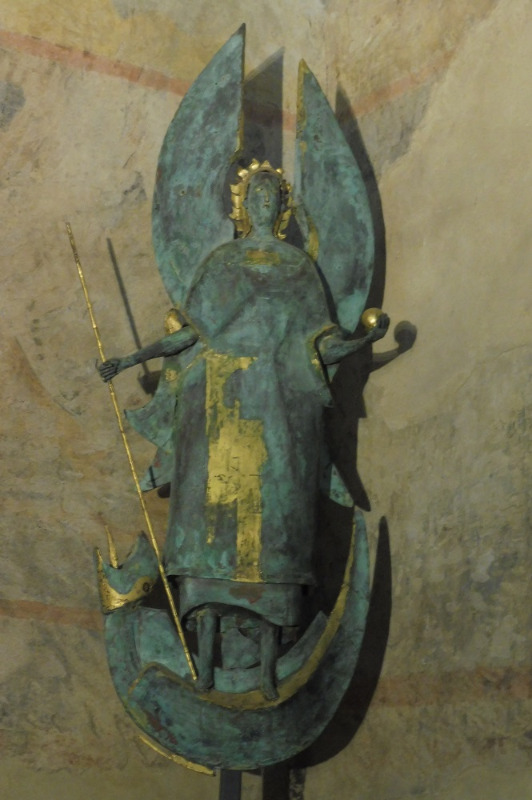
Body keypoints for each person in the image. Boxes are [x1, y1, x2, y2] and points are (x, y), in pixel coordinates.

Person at [99, 165, 388, 698]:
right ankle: (205, 661)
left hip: (278, 413)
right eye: (254, 195)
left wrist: (363, 341)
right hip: (219, 409)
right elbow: (190, 335)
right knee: (208, 532)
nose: (262, 202)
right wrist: (132, 358)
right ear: (240, 206)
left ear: (282, 209)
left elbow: (318, 344)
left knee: (279, 525)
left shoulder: (298, 268)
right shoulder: (220, 263)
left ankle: (268, 667)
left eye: (271, 196)